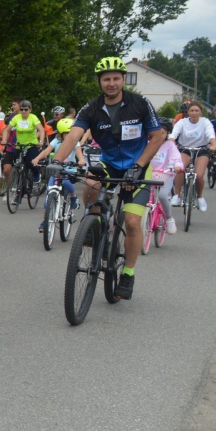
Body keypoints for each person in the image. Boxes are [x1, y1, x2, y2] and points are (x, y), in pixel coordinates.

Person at [52, 57, 166, 300]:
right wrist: (57, 162)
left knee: (132, 223)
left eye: (116, 78)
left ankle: (128, 274)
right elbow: (73, 136)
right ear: (100, 82)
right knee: (91, 183)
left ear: (123, 79)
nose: (111, 83)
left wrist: (138, 167)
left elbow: (157, 137)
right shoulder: (91, 108)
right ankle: (95, 225)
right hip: (110, 163)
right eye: (106, 79)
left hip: (138, 166)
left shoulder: (140, 103)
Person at [168, 99, 216, 212]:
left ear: (201, 112)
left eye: (196, 110)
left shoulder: (205, 122)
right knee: (180, 169)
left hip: (201, 150)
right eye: (192, 110)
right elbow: (174, 133)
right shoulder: (182, 122)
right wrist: (171, 142)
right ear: (188, 112)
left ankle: (200, 198)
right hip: (185, 149)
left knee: (199, 175)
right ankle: (177, 195)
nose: (194, 113)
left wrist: (214, 144)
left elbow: (210, 133)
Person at [5, 98, 45, 200]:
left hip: (31, 145)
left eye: (26, 109)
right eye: (22, 109)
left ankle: (37, 173)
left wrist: (41, 141)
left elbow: (41, 129)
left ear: (30, 110)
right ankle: (19, 194)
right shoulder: (16, 118)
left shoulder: (33, 118)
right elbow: (7, 130)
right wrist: (4, 141)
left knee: (31, 163)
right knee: (19, 170)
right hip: (19, 146)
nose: (23, 111)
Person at [148, 118, 183, 234]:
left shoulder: (170, 145)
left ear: (167, 133)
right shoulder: (148, 144)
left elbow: (176, 158)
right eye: (156, 132)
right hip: (150, 175)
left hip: (166, 175)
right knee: (142, 196)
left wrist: (178, 166)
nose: (159, 135)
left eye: (162, 133)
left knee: (162, 195)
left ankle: (169, 218)